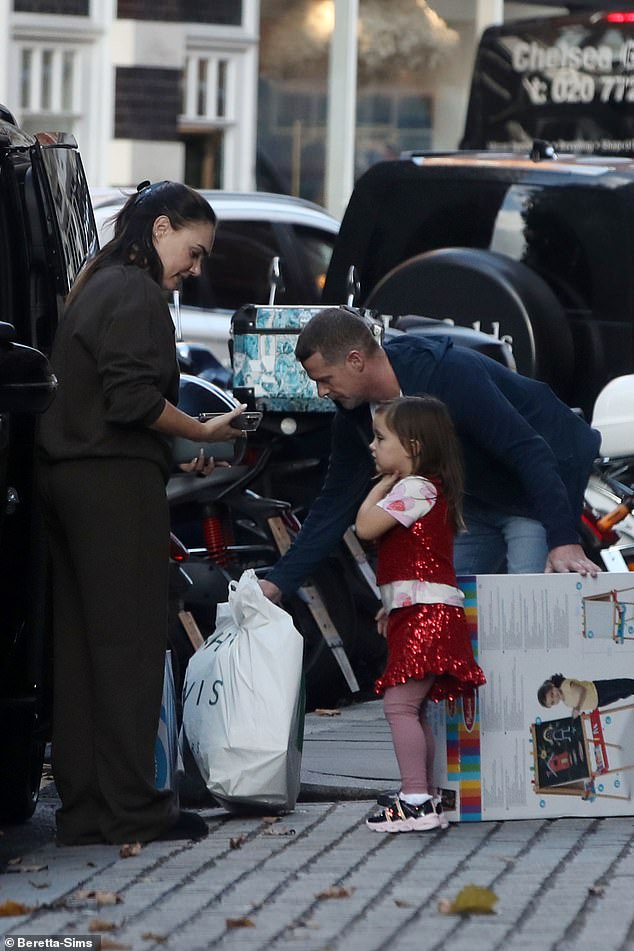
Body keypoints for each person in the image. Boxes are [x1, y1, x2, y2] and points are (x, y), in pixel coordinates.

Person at [38, 180, 246, 846]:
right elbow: (132, 398)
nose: (196, 267)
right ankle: (134, 807)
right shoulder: (135, 292)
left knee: (79, 653)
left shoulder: (96, 282)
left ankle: (88, 808)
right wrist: (204, 432)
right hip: (112, 485)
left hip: (69, 476)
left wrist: (174, 447)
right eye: (195, 250)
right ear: (160, 229)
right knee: (129, 646)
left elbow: (106, 399)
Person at [259, 306, 601, 605]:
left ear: (355, 360)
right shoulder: (352, 415)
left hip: (533, 489)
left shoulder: (448, 373)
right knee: (444, 607)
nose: (321, 391)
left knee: (526, 610)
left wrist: (564, 539)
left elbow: (529, 450)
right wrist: (279, 582)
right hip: (474, 499)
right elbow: (334, 503)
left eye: (325, 379)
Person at [356, 396, 486, 832]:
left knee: (399, 707)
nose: (373, 447)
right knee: (413, 707)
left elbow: (365, 527)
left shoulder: (413, 489)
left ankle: (415, 799)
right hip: (422, 611)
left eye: (380, 438)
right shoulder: (429, 489)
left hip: (424, 616)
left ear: (411, 445)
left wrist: (379, 485)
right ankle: (422, 793)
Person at [537, 674, 634, 717]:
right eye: (553, 702)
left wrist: (578, 707)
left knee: (624, 686)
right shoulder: (566, 703)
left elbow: (582, 690)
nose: (555, 697)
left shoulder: (565, 686)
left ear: (552, 686)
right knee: (623, 694)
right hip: (598, 702)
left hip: (598, 690)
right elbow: (582, 704)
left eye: (552, 694)